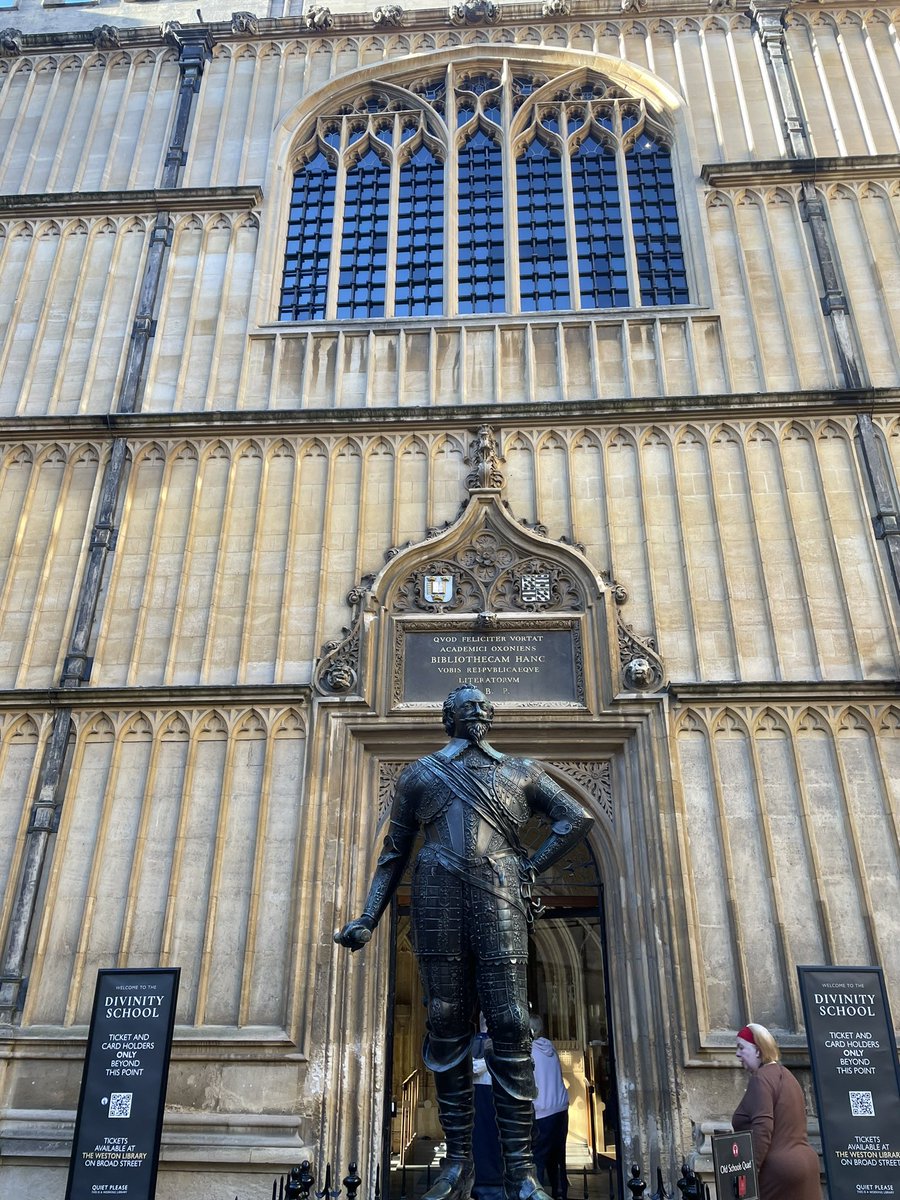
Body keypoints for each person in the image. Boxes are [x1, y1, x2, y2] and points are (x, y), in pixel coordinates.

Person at [334, 685, 593, 1200]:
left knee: (512, 1022)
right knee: (447, 1020)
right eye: (465, 707)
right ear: (448, 718)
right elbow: (393, 853)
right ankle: (458, 1160)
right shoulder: (420, 775)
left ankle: (520, 1170)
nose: (475, 713)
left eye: (482, 707)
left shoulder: (520, 771)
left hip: (498, 892)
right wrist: (368, 916)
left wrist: (529, 867)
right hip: (436, 891)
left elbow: (576, 817)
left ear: (491, 718)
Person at [732, 1023, 822, 1200]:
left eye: (742, 1047)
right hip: (807, 1166)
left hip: (778, 1172)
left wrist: (749, 1172)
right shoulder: (787, 1075)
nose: (737, 1054)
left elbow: (763, 1127)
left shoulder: (761, 1078)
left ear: (758, 1050)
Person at [529, 1016, 569, 1200]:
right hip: (560, 1109)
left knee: (537, 1158)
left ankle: (536, 1194)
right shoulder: (550, 1048)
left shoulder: (529, 1052)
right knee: (558, 1157)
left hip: (543, 1111)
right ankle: (560, 1193)